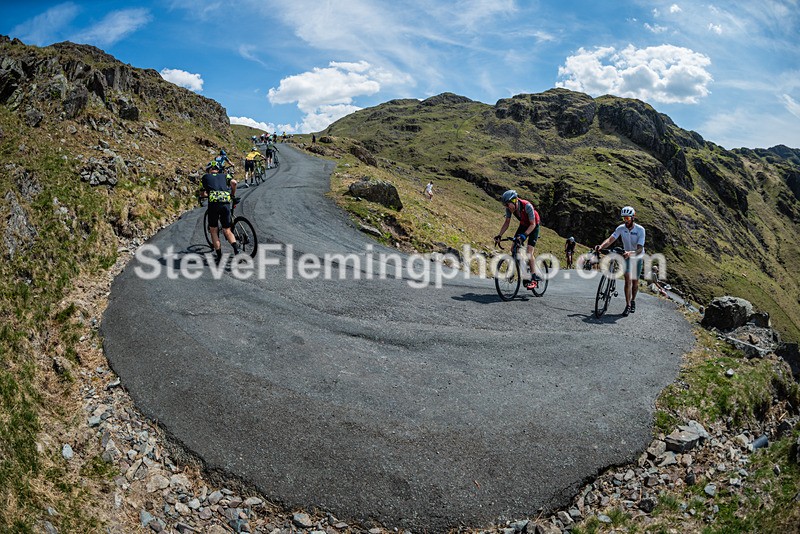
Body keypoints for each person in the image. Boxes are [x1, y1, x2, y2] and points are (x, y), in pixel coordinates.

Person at [594, 206, 645, 316]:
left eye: (627, 218)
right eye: (623, 218)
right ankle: (628, 305)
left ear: (633, 217)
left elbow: (640, 248)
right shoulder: (621, 228)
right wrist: (601, 246)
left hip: (637, 256)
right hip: (626, 255)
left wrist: (631, 253)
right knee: (627, 279)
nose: (626, 221)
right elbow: (610, 239)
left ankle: (633, 300)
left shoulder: (640, 230)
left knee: (635, 282)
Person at [494, 189, 541, 290]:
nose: (507, 207)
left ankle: (533, 278)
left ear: (514, 200)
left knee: (529, 252)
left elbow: (532, 224)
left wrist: (524, 235)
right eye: (505, 205)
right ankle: (525, 274)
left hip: (534, 225)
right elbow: (507, 223)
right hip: (523, 225)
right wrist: (499, 235)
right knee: (514, 248)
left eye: (508, 204)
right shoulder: (509, 208)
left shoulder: (527, 206)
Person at [201, 162, 239, 262]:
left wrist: (206, 195)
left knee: (213, 230)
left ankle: (219, 256)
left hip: (214, 203)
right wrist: (232, 195)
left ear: (209, 170)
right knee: (227, 230)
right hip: (226, 201)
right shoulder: (225, 175)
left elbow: (203, 193)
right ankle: (236, 250)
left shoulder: (205, 177)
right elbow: (234, 183)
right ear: (218, 170)